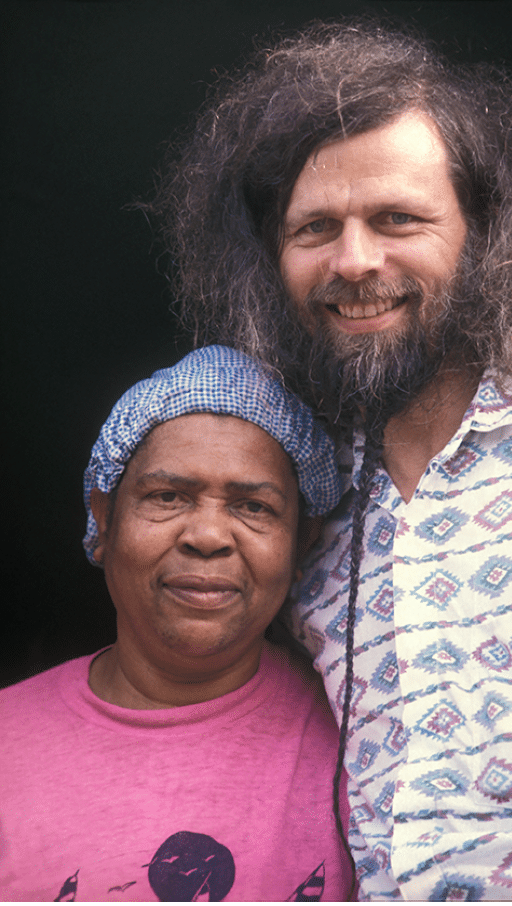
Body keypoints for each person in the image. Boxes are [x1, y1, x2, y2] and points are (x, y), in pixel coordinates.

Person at [145, 17, 512, 901]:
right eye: (314, 228)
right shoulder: (296, 487)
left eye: (398, 218)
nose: (354, 261)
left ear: (486, 233)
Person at [0, 345, 355, 902]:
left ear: (301, 540)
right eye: (168, 496)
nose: (208, 536)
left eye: (253, 506)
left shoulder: (363, 752)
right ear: (103, 517)